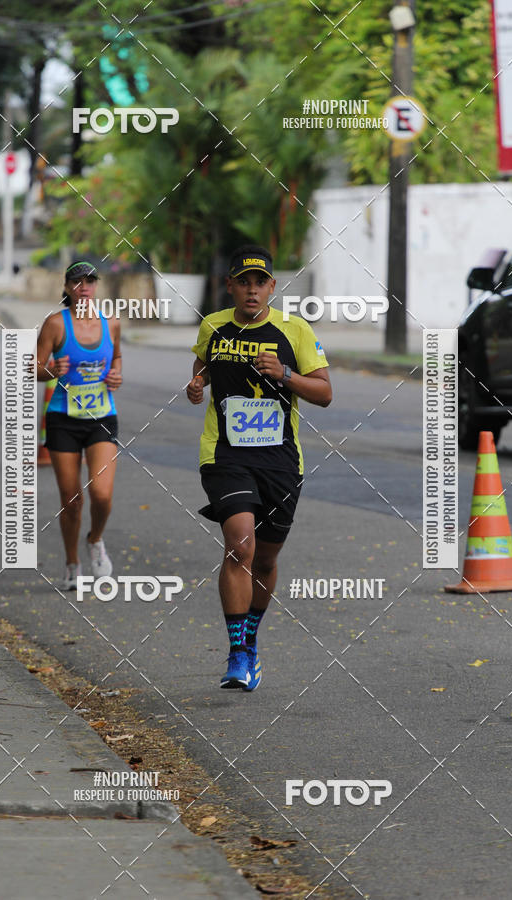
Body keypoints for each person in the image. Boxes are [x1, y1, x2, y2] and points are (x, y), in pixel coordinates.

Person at [187, 245, 332, 690]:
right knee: (240, 547)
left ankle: (251, 641)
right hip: (225, 455)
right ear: (229, 285)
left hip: (280, 461)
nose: (252, 290)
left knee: (265, 558)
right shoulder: (214, 325)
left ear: (272, 286)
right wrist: (198, 383)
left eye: (260, 283)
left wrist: (286, 374)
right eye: (243, 282)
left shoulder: (295, 330)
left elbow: (325, 393)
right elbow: (203, 363)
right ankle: (235, 654)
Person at [35, 261, 122, 589]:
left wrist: (116, 375)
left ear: (96, 286)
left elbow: (117, 358)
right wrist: (52, 370)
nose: (84, 287)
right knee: (71, 500)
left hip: (102, 416)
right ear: (68, 287)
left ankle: (95, 540)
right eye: (77, 281)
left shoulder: (111, 322)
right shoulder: (56, 324)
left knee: (101, 494)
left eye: (90, 281)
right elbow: (34, 368)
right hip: (63, 419)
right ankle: (72, 563)